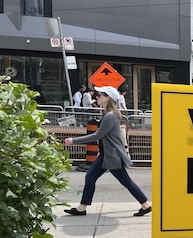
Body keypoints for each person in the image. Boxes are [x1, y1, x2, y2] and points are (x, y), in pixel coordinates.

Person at [63, 86, 151, 217]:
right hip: (106, 155)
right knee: (90, 177)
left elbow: (97, 135)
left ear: (108, 98)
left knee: (125, 181)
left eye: (99, 95)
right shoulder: (108, 115)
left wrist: (73, 140)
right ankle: (82, 208)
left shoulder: (110, 116)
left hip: (112, 156)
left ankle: (145, 204)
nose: (96, 97)